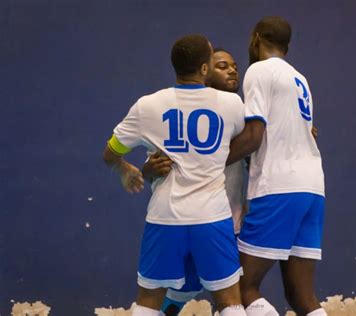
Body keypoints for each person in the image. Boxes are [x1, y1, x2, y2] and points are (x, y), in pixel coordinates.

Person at [102, 34, 246, 316]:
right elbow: (254, 137)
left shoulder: (148, 106)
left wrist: (124, 168)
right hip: (213, 217)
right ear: (205, 68)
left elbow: (110, 152)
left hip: (165, 216)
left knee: (148, 301)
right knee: (230, 301)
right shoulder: (232, 106)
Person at [226, 17, 327, 316]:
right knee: (301, 296)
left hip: (279, 187)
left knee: (239, 288)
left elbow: (254, 136)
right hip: (313, 189)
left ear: (255, 38)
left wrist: (206, 160)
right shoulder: (300, 79)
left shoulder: (259, 71)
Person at [141, 47, 248, 315]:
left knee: (236, 295)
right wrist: (147, 169)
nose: (233, 70)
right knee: (182, 291)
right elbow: (150, 168)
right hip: (194, 218)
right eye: (222, 66)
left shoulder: (242, 113)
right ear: (204, 71)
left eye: (234, 65)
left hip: (229, 221)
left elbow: (265, 137)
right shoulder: (173, 114)